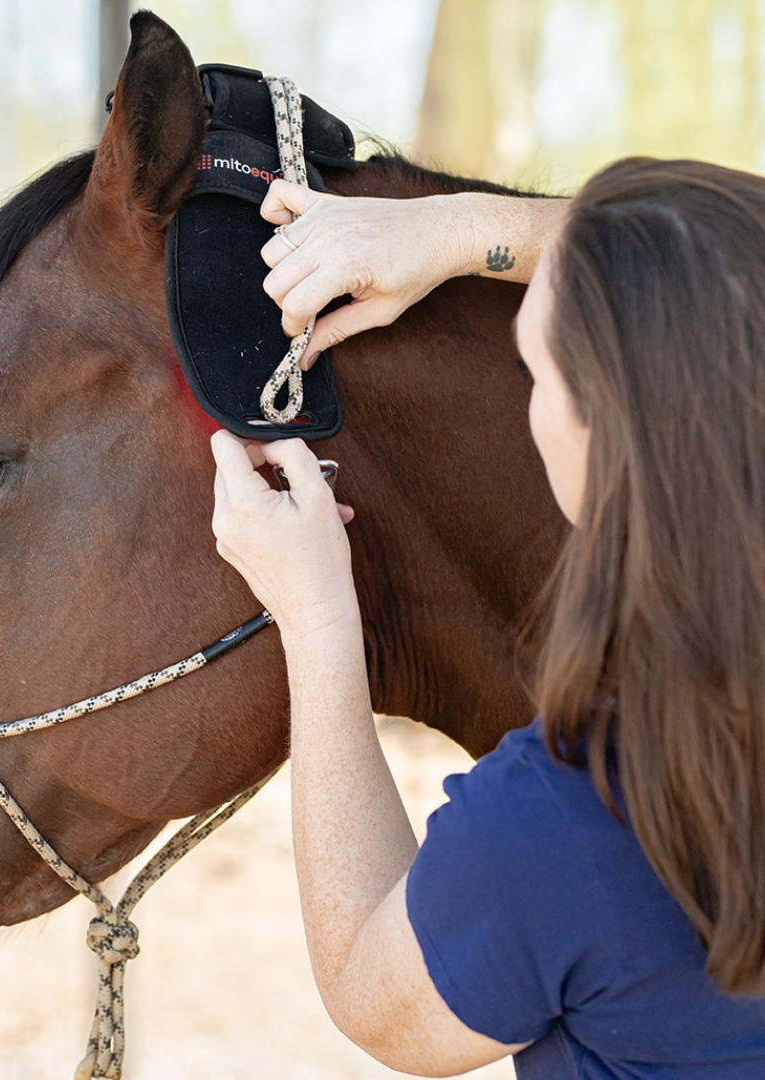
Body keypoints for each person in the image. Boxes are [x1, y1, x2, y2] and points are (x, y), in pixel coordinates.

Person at [210, 158, 765, 1078]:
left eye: (533, 373)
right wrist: (455, 233)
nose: (527, 400)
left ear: (607, 430)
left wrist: (315, 616)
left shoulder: (586, 809)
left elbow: (372, 991)